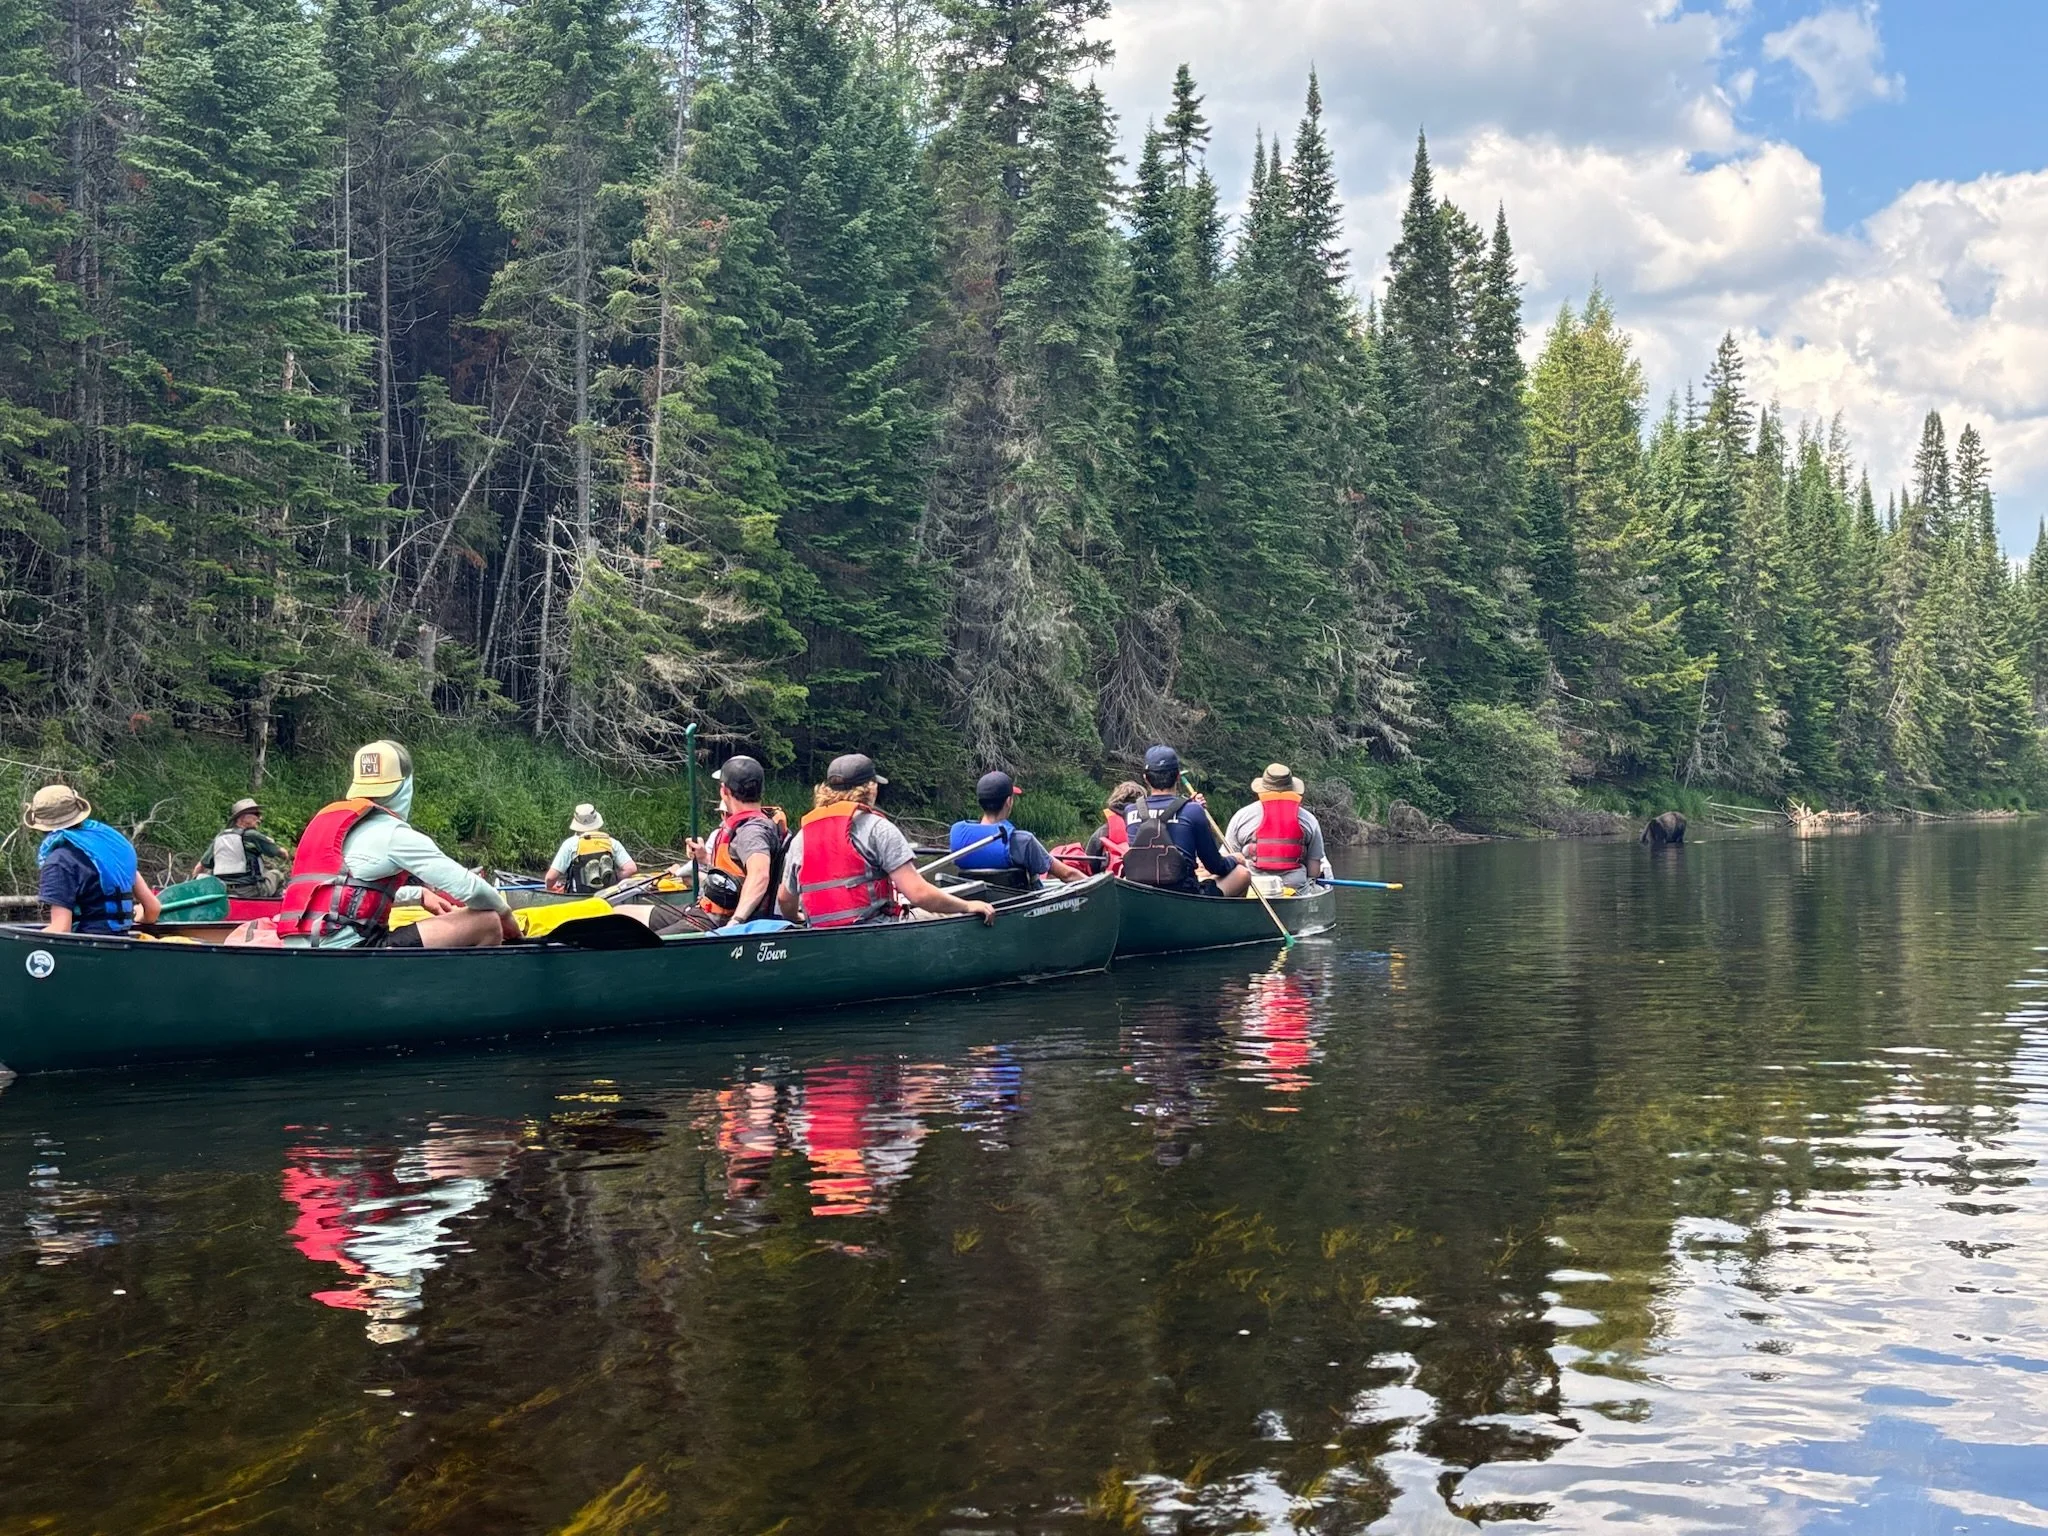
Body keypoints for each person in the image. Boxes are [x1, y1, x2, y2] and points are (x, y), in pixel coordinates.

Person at [274, 740, 519, 950]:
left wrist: (419, 894)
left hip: (298, 947)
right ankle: (460, 998)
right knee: (487, 921)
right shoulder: (393, 833)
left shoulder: (328, 823)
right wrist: (506, 916)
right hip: (350, 951)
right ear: (404, 786)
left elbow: (348, 890)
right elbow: (472, 890)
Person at [778, 755, 997, 928]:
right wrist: (967, 905)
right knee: (952, 913)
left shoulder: (803, 836)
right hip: (875, 931)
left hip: (823, 934)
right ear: (870, 789)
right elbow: (919, 894)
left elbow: (785, 900)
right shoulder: (878, 829)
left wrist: (797, 918)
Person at [26, 785, 161, 935]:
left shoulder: (59, 861)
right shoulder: (110, 848)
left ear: (41, 826)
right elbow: (153, 909)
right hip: (120, 943)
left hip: (88, 949)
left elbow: (61, 928)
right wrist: (139, 917)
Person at [1121, 746, 1251, 898]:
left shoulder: (1130, 810)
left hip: (1141, 894)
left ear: (1146, 778)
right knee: (1242, 873)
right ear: (1177, 776)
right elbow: (1216, 866)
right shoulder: (1193, 810)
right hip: (1184, 896)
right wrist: (1235, 859)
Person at [684, 755, 787, 928]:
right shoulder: (746, 827)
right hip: (706, 912)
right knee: (627, 913)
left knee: (634, 932)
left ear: (724, 791)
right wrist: (704, 858)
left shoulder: (751, 831)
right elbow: (735, 873)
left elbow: (759, 875)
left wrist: (735, 923)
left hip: (717, 922)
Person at [946, 772, 1086, 889]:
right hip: (1019, 905)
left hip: (976, 902)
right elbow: (1068, 875)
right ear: (1008, 802)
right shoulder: (1023, 841)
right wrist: (1096, 886)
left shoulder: (960, 838)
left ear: (980, 802)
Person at [1223, 763, 1332, 894]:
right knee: (1317, 887)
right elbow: (1314, 870)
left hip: (1252, 888)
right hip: (1295, 888)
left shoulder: (1242, 816)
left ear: (1261, 789)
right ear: (1291, 788)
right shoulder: (1308, 819)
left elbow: (1228, 857)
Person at [193, 797, 290, 898]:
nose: (260, 818)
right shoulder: (252, 835)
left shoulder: (219, 837)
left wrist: (190, 883)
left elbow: (200, 866)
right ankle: (273, 908)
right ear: (242, 817)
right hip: (250, 891)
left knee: (209, 872)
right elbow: (281, 853)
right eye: (256, 814)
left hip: (222, 890)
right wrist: (285, 853)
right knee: (277, 875)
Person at [546, 805, 638, 895]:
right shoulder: (611, 842)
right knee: (610, 879)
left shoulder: (570, 844)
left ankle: (591, 878)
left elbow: (550, 878)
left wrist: (550, 887)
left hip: (579, 897)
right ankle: (606, 876)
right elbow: (631, 868)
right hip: (608, 895)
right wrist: (615, 877)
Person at [1081, 781, 1144, 875]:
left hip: (1111, 881)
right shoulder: (1149, 828)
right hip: (1142, 879)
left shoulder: (1101, 832)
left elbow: (1090, 866)